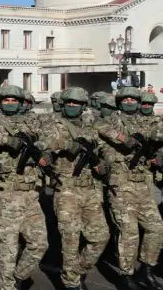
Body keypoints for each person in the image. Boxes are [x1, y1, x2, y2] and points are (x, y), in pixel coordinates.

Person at [0, 85, 48, 289]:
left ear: (21, 103)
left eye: (14, 100)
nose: (10, 103)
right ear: (0, 102)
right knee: (9, 247)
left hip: (31, 193)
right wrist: (7, 140)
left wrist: (44, 152)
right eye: (6, 100)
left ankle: (19, 276)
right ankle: (7, 286)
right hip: (7, 193)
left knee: (39, 244)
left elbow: (48, 140)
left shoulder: (33, 122)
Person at [38, 87, 110, 290]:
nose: (71, 106)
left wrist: (104, 163)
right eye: (68, 102)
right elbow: (45, 144)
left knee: (100, 237)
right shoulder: (55, 125)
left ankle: (74, 270)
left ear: (83, 106)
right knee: (70, 240)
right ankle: (71, 283)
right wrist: (60, 148)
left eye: (76, 103)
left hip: (90, 190)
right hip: (67, 191)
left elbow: (103, 147)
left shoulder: (91, 125)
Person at [96, 87, 163, 290]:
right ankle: (126, 275)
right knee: (129, 231)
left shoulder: (148, 121)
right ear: (119, 102)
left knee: (156, 227)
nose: (129, 103)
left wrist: (158, 155)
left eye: (133, 100)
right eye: (124, 99)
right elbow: (106, 134)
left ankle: (147, 268)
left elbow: (158, 134)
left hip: (142, 183)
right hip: (121, 183)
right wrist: (130, 141)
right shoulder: (110, 120)